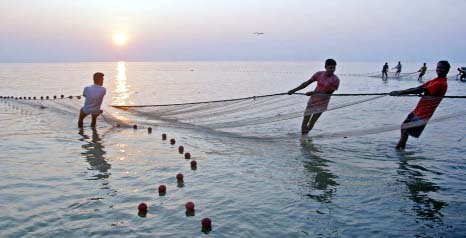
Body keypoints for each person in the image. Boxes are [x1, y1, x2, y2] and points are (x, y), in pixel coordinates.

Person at [389, 60, 450, 150]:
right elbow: (418, 88)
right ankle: (402, 150)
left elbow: (421, 90)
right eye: (438, 67)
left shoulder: (441, 83)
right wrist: (400, 91)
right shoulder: (434, 80)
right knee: (403, 127)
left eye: (442, 68)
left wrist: (402, 92)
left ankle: (398, 150)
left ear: (447, 70)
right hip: (417, 110)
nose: (439, 69)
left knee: (406, 130)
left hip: (423, 114)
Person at [288, 59, 340, 135]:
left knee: (312, 122)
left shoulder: (335, 80)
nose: (332, 70)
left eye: (334, 68)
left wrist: (313, 92)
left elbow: (328, 93)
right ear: (325, 67)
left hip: (322, 103)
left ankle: (306, 135)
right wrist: (294, 90)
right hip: (312, 101)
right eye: (330, 68)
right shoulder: (319, 74)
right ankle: (303, 138)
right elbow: (306, 83)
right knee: (305, 119)